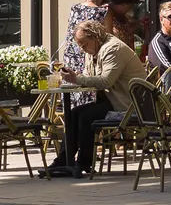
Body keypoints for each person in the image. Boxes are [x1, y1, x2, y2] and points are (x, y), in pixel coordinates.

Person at [45, 18, 148, 179]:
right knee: (73, 114)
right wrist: (75, 77)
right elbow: (89, 76)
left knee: (86, 117)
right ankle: (64, 161)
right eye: (80, 45)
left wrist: (77, 79)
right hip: (111, 99)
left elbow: (106, 80)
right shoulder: (94, 49)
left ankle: (83, 163)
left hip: (127, 104)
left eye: (84, 44)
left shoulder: (113, 49)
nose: (83, 49)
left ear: (96, 37)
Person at [62, 0, 111, 102]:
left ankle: (72, 117)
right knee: (89, 92)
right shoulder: (103, 12)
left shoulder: (75, 8)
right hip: (88, 57)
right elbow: (109, 38)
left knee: (72, 93)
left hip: (71, 57)